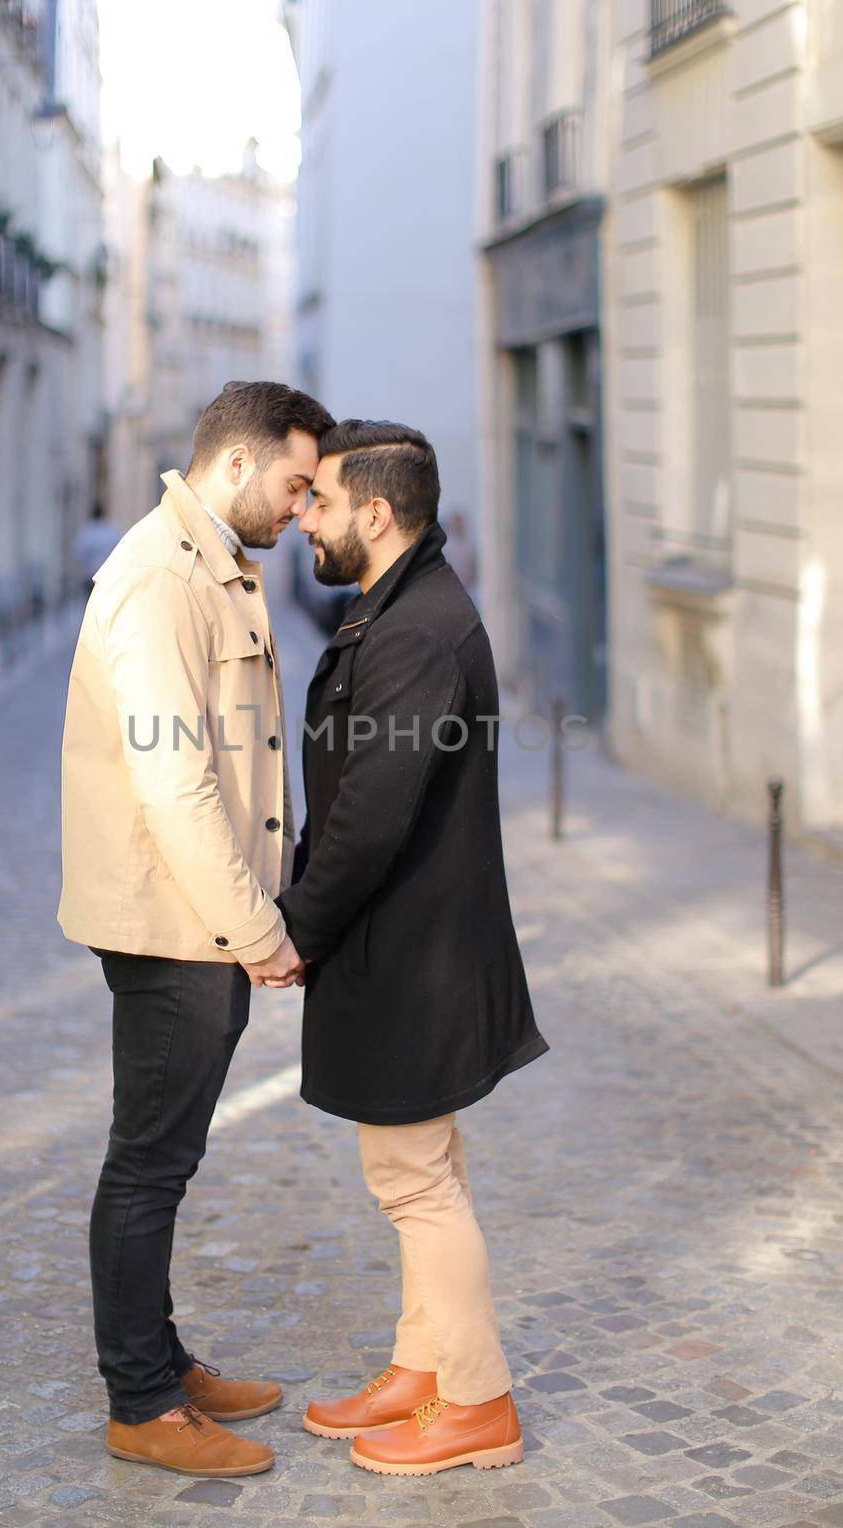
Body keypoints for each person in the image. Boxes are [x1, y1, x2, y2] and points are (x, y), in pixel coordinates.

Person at [56, 380, 333, 1478]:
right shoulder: (161, 579)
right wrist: (255, 928)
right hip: (176, 923)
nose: (302, 504)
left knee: (165, 1155)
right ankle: (140, 1401)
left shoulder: (208, 561)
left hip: (195, 921)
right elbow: (174, 786)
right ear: (235, 465)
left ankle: (160, 1361)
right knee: (148, 1163)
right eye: (294, 481)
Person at [273, 420, 549, 1476]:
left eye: (322, 502)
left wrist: (296, 928)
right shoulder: (397, 609)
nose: (306, 515)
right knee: (419, 1166)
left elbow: (369, 817)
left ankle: (475, 1401)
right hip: (407, 943)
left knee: (412, 1181)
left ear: (374, 515)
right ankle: (420, 1368)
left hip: (415, 952)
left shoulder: (414, 631)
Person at [72, 501, 122, 598]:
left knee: (91, 605)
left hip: (90, 576)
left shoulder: (87, 531)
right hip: (107, 576)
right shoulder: (111, 530)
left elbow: (78, 554)